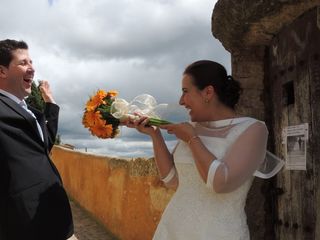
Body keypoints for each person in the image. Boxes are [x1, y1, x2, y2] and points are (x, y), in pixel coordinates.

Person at [126, 60, 281, 239]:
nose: (181, 101)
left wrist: (192, 139)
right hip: (173, 230)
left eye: (185, 92)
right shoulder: (192, 128)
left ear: (208, 92)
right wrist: (155, 135)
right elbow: (172, 181)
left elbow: (221, 184)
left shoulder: (253, 129)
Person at [0, 39, 73, 240]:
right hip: (23, 223)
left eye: (31, 62)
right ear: (2, 71)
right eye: (23, 63)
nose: (32, 69)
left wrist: (50, 102)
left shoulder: (32, 112)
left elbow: (43, 146)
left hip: (52, 215)